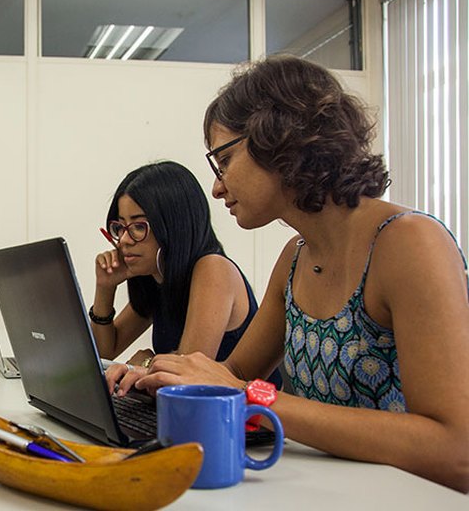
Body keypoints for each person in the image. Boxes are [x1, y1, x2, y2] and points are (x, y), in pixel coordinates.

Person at [133, 56, 469, 492]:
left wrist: (253, 394)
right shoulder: (294, 257)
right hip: (331, 493)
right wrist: (160, 379)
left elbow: (456, 450)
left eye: (225, 160)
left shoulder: (409, 243)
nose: (217, 186)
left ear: (281, 140)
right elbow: (230, 375)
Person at [90, 161, 279, 396]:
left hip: (248, 422)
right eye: (120, 227)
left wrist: (148, 362)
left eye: (138, 226)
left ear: (173, 226)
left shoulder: (213, 268)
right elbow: (104, 351)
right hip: (194, 414)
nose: (125, 240)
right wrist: (105, 288)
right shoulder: (156, 277)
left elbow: (184, 378)